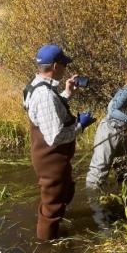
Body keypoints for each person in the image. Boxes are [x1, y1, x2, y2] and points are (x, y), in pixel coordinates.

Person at [23, 44, 95, 240]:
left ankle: (53, 229)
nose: (65, 68)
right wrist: (81, 125)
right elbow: (55, 137)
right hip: (50, 159)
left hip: (50, 158)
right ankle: (48, 248)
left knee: (64, 191)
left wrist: (67, 93)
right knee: (52, 205)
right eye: (64, 64)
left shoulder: (36, 86)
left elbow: (48, 112)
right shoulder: (44, 94)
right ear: (55, 66)